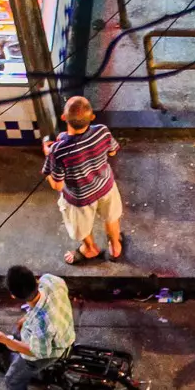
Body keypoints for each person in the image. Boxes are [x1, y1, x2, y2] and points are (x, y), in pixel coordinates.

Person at [42, 95, 125, 265]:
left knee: (82, 227)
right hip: (106, 186)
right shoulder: (102, 131)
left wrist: (48, 155)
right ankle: (115, 247)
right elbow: (112, 152)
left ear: (64, 117)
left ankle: (90, 249)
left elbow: (57, 184)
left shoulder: (58, 150)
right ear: (92, 117)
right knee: (112, 217)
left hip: (80, 197)